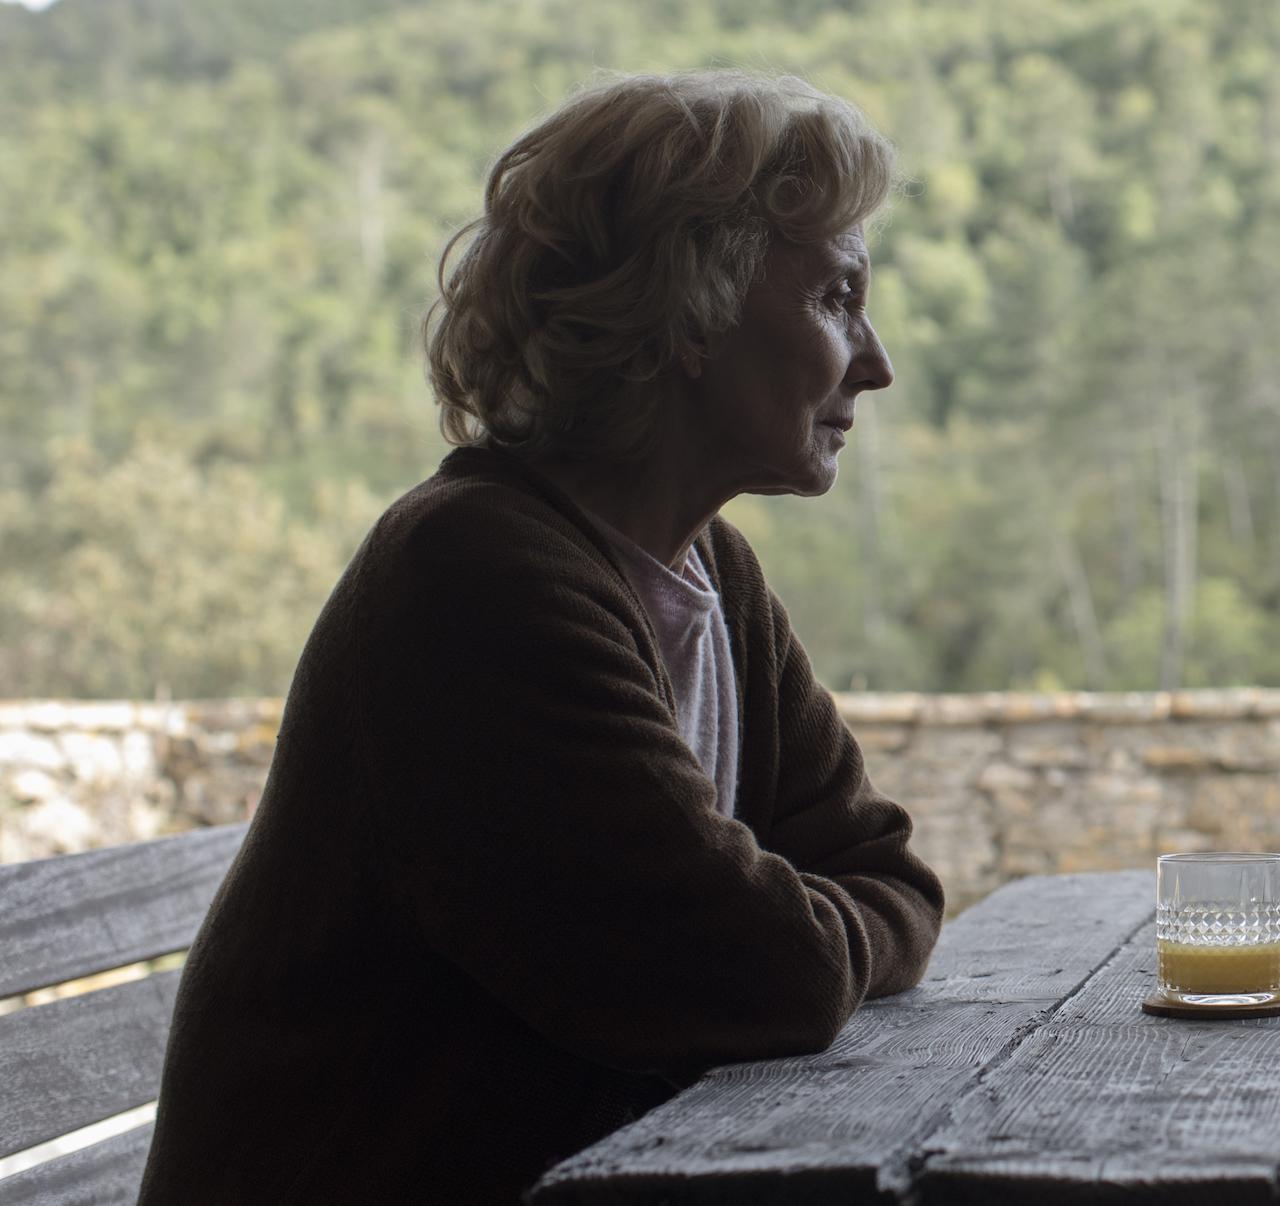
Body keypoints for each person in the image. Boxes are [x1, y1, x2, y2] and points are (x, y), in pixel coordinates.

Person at [137, 71, 945, 1205]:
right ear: (685, 309)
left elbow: (882, 872)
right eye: (834, 297)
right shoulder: (474, 576)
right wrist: (815, 939)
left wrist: (813, 933)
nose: (874, 360)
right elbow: (766, 971)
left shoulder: (709, 569)